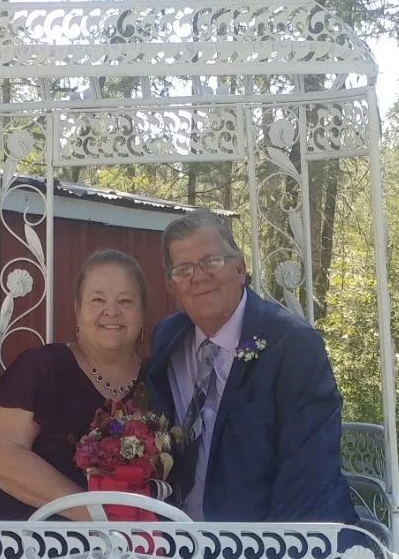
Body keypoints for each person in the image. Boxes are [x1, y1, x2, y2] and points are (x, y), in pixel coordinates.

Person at [145, 211, 358, 524]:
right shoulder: (167, 338)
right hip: (183, 540)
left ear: (240, 267)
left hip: (282, 544)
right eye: (184, 269)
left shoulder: (293, 345)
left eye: (211, 261)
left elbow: (308, 473)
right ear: (171, 286)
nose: (199, 276)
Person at [0, 249, 150, 521]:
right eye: (97, 300)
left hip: (127, 552)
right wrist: (98, 517)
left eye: (125, 301)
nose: (111, 312)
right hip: (16, 544)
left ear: (142, 312)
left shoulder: (158, 380)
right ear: (77, 309)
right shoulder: (42, 367)